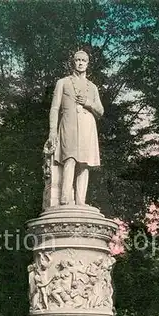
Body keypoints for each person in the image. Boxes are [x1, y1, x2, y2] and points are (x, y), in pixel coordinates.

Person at [46, 50, 104, 205]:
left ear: (87, 63)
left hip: (87, 127)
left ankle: (80, 201)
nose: (80, 63)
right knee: (69, 158)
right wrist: (52, 131)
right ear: (73, 62)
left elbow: (100, 110)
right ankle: (64, 198)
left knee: (84, 163)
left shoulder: (92, 87)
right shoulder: (63, 82)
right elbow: (54, 108)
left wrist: (88, 103)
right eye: (77, 60)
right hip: (68, 125)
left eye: (83, 60)